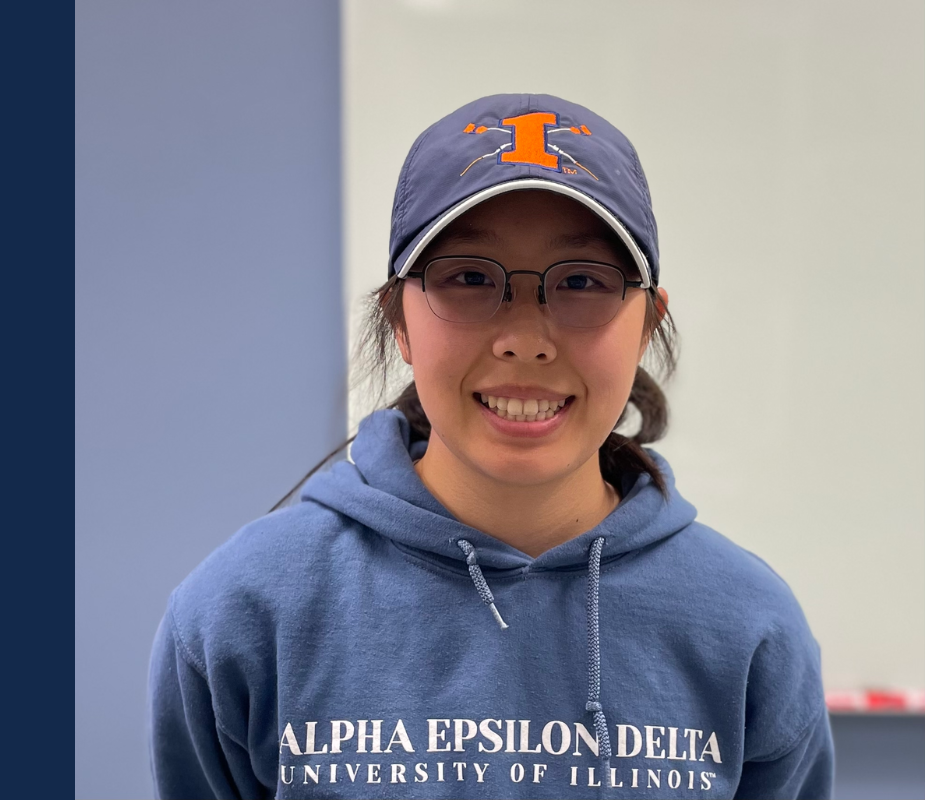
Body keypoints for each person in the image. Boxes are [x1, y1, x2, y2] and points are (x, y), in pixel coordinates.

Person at [148, 93, 834, 799]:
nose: (525, 340)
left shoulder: (747, 624)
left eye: (582, 283)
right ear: (401, 321)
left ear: (647, 323)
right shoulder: (244, 612)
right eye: (471, 278)